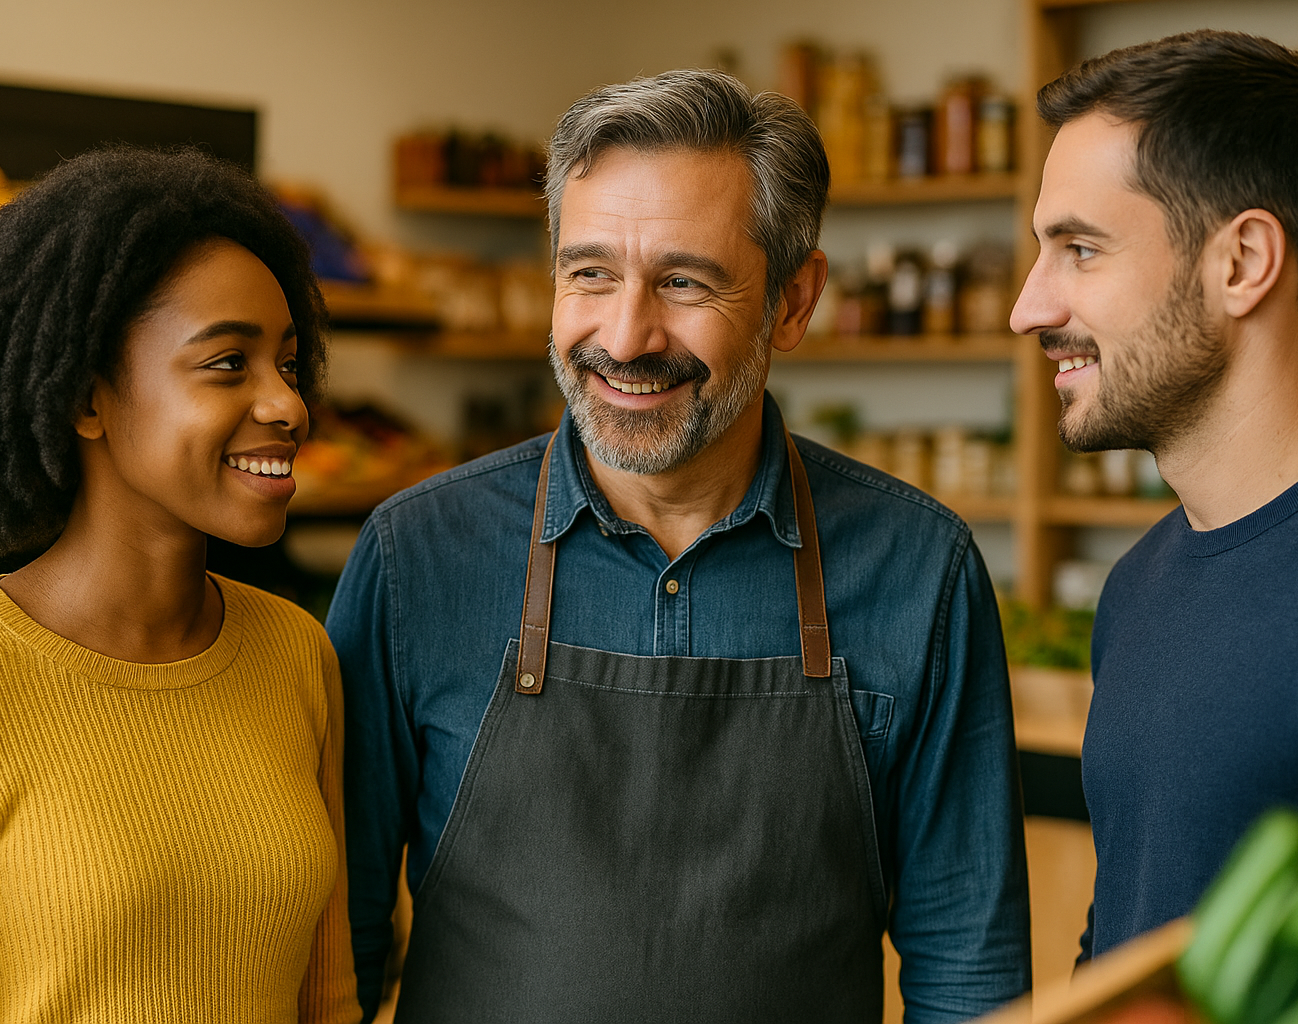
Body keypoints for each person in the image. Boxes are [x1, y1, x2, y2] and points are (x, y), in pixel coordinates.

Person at [328, 68, 1030, 1024]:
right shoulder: (416, 557)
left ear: (794, 299)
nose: (624, 334)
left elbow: (970, 976)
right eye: (589, 273)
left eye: (684, 281)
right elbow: (339, 960)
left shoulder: (921, 571)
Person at [0, 147, 359, 1021]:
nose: (288, 406)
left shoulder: (296, 656)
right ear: (85, 399)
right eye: (227, 364)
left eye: (289, 364)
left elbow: (327, 1002)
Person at [1009, 30, 1298, 961]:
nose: (1029, 307)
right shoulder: (1141, 581)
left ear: (1241, 263)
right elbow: (1125, 941)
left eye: (1079, 249)